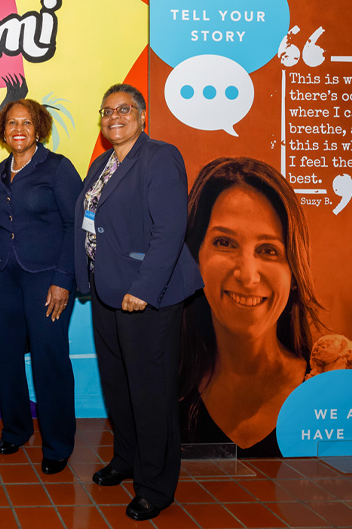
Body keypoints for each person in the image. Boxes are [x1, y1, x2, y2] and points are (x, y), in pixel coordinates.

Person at [74, 84, 202, 521]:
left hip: (147, 295)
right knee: (118, 385)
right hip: (108, 291)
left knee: (150, 392)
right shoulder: (100, 165)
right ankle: (126, 459)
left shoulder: (159, 157)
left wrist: (144, 290)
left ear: (142, 115)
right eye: (107, 110)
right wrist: (84, 278)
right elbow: (90, 224)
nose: (115, 117)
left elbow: (170, 231)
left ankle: (156, 484)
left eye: (124, 109)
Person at [180, 157, 350, 456]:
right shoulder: (164, 394)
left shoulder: (332, 392)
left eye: (269, 250)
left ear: (294, 273)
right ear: (195, 258)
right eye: (225, 243)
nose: (247, 275)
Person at [0, 99, 81, 472]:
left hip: (46, 277)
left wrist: (63, 280)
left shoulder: (57, 168)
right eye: (11, 123)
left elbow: (75, 226)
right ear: (2, 132)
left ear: (39, 128)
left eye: (26, 122)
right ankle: (16, 429)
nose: (18, 129)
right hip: (3, 274)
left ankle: (57, 445)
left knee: (49, 359)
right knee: (5, 357)